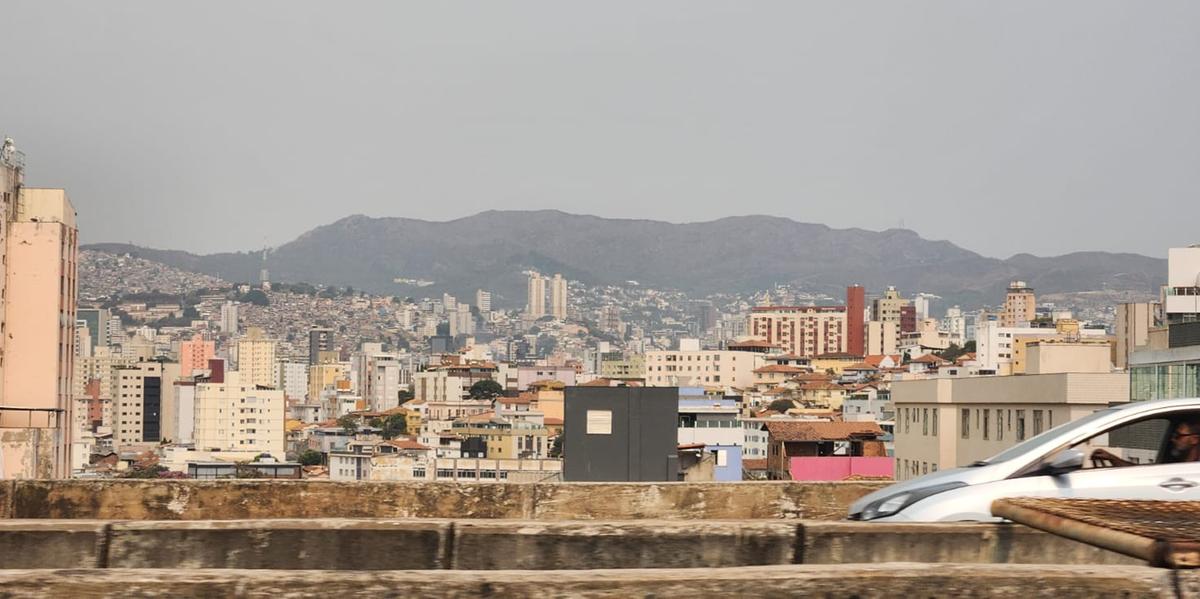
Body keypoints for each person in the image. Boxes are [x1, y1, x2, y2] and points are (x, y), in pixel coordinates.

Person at [1089, 418, 1200, 467]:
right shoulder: (1176, 462)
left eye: (1178, 436)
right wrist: (1113, 458)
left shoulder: (1193, 469)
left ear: (1194, 439)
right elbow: (1142, 472)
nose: (1173, 439)